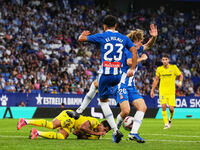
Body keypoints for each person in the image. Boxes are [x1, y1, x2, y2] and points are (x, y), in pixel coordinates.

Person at [78, 15, 138, 143]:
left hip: (106, 74)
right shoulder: (124, 38)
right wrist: (132, 68)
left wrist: (83, 34)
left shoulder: (103, 36)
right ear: (115, 25)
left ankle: (115, 130)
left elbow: (81, 39)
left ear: (104, 26)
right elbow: (134, 51)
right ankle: (79, 110)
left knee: (104, 102)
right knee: (95, 85)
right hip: (117, 76)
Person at [115, 25, 158, 143]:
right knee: (126, 111)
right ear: (136, 40)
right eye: (141, 40)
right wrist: (141, 59)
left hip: (131, 86)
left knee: (142, 107)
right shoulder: (128, 49)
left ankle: (133, 134)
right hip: (121, 84)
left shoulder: (136, 48)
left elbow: (148, 45)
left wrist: (154, 37)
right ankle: (115, 131)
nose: (143, 42)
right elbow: (129, 62)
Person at [17, 110, 110, 140]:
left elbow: (82, 136)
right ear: (101, 125)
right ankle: (25, 121)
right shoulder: (95, 121)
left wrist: (80, 134)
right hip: (70, 116)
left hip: (71, 124)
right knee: (52, 125)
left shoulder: (95, 137)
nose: (104, 132)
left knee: (62, 136)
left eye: (106, 131)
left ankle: (37, 133)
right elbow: (83, 127)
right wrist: (96, 133)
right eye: (105, 130)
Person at [150, 54, 183, 129]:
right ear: (162, 61)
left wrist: (180, 82)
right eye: (163, 60)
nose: (164, 61)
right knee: (163, 106)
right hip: (162, 91)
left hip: (171, 92)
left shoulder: (174, 67)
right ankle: (166, 123)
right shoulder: (159, 69)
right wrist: (152, 90)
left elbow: (181, 75)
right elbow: (156, 80)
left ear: (169, 60)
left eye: (166, 59)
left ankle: (170, 120)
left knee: (171, 109)